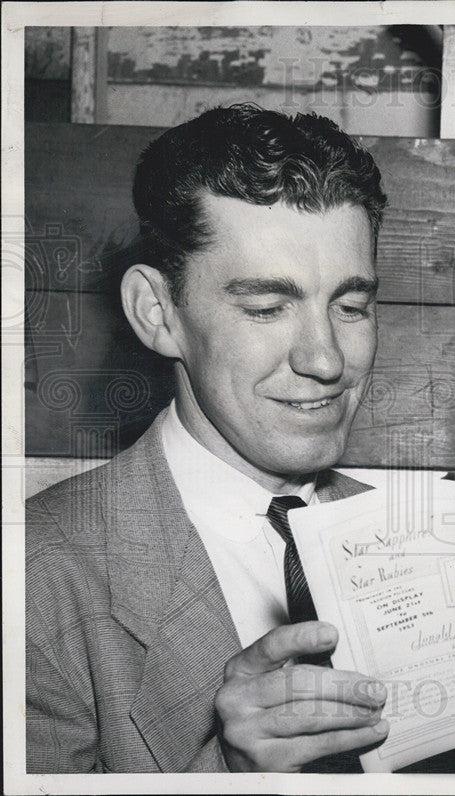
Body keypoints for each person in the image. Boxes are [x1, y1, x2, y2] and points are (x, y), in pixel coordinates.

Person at [26, 104, 394, 773]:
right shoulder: (34, 578)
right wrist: (230, 771)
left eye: (351, 306)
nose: (326, 359)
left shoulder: (421, 542)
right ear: (157, 313)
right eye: (266, 308)